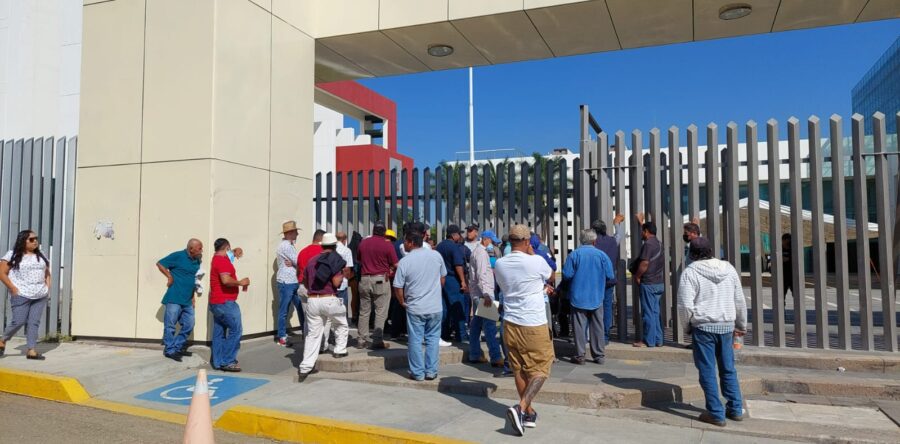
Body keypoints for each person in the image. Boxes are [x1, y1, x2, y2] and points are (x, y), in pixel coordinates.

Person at [677, 237, 746, 427]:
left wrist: (687, 326)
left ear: (692, 254)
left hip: (703, 327)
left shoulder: (690, 273)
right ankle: (735, 407)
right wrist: (741, 324)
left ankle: (716, 412)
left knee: (707, 369)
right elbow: (739, 299)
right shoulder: (729, 269)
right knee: (728, 368)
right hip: (726, 325)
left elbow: (684, 305)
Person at [495, 224, 554, 436]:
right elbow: (551, 276)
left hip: (510, 322)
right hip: (533, 322)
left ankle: (528, 413)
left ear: (510, 241)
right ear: (528, 241)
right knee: (541, 368)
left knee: (519, 368)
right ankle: (520, 409)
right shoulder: (536, 261)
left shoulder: (500, 264)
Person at [394, 230, 447, 381]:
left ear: (411, 242)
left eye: (405, 241)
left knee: (415, 340)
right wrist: (436, 291)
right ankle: (431, 371)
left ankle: (417, 372)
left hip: (415, 306)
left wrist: (401, 301)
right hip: (435, 306)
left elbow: (398, 286)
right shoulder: (436, 255)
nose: (403, 244)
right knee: (433, 338)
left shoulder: (405, 261)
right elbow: (443, 277)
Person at [298, 233, 350, 382]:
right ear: (334, 246)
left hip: (313, 300)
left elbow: (306, 282)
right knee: (341, 323)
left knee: (313, 334)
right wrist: (342, 276)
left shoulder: (311, 261)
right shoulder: (334, 260)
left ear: (322, 246)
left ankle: (306, 366)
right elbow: (335, 282)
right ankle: (340, 350)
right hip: (329, 298)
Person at [562, 229, 614, 365]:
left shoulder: (574, 255)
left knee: (579, 327)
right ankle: (599, 355)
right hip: (597, 296)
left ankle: (580, 355)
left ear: (581, 240)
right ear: (594, 241)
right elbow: (610, 275)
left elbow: (567, 275)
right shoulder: (602, 255)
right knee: (598, 326)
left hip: (578, 296)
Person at [0, 230, 51, 360]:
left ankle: (31, 350)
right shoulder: (12, 255)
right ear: (23, 241)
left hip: (40, 294)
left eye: (36, 239)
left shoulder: (41, 255)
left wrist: (47, 287)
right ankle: (3, 339)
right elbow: (2, 273)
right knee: (19, 321)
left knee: (34, 322)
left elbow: (46, 272)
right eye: (31, 239)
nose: (35, 241)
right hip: (21, 294)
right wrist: (12, 288)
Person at [156, 239, 203, 362]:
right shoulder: (178, 256)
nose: (201, 251)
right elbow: (160, 263)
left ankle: (177, 347)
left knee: (189, 324)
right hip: (174, 297)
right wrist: (169, 276)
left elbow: (191, 279)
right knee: (170, 325)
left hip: (187, 300)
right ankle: (170, 350)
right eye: (199, 248)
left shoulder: (197, 260)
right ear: (191, 249)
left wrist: (193, 296)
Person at [208, 238, 249, 372]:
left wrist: (236, 251)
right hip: (225, 302)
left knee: (219, 332)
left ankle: (218, 361)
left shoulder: (217, 258)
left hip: (216, 302)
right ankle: (228, 361)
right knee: (236, 330)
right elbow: (225, 280)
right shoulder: (222, 261)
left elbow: (232, 253)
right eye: (230, 250)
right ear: (226, 248)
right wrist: (240, 282)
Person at [356, 221, 398, 349]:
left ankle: (361, 339)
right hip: (380, 279)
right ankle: (377, 340)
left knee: (364, 311)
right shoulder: (387, 244)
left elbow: (359, 260)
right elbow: (396, 264)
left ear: (373, 230)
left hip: (364, 279)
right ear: (384, 232)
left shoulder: (363, 243)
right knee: (380, 311)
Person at [467, 230, 504, 367]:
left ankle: (475, 354)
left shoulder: (476, 251)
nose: (492, 244)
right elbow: (482, 274)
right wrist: (487, 295)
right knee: (490, 326)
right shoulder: (482, 253)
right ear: (486, 239)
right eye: (491, 241)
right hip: (484, 294)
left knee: (476, 326)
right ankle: (495, 356)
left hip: (478, 294)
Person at [632, 216, 665, 348]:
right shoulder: (658, 243)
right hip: (659, 284)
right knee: (656, 312)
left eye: (642, 231)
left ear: (646, 232)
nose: (641, 233)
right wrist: (641, 223)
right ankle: (658, 340)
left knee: (648, 313)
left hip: (649, 283)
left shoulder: (648, 245)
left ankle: (648, 341)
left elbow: (644, 263)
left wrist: (638, 276)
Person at [592, 214, 625, 343]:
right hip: (609, 280)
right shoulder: (612, 241)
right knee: (607, 307)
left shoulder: (592, 243)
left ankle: (594, 335)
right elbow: (620, 235)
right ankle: (605, 336)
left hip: (595, 281)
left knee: (594, 307)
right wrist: (616, 223)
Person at [437, 224, 469, 343]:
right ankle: (461, 335)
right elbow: (458, 265)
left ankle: (443, 334)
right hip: (452, 279)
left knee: (444, 308)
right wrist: (462, 281)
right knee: (458, 307)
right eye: (459, 234)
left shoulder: (439, 246)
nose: (460, 236)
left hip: (441, 279)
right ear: (453, 235)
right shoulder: (454, 247)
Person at [275, 221, 302, 347]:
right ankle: (282, 336)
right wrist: (296, 264)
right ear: (290, 233)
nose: (297, 233)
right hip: (287, 282)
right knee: (285, 310)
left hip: (291, 280)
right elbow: (299, 261)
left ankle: (304, 331)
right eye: (295, 231)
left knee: (299, 307)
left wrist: (295, 264)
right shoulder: (286, 246)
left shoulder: (288, 245)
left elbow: (296, 262)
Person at [782, 233, 793, 301]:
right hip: (783, 276)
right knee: (781, 296)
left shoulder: (793, 249)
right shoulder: (780, 249)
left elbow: (785, 259)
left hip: (792, 276)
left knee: (796, 295)